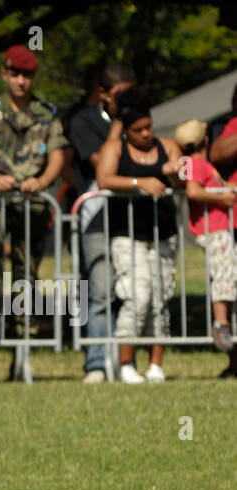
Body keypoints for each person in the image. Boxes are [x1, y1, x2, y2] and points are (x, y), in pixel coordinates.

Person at [0, 45, 66, 379]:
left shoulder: (46, 112)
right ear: (5, 74)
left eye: (27, 75)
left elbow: (57, 158)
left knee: (27, 275)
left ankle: (20, 353)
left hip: (32, 204)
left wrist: (42, 181)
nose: (22, 81)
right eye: (16, 74)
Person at [95, 88, 182, 383]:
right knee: (136, 296)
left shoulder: (167, 146)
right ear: (126, 130)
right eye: (138, 130)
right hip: (128, 233)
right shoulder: (114, 149)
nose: (145, 134)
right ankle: (126, 364)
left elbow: (183, 180)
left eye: (149, 127)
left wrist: (174, 172)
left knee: (161, 296)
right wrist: (139, 182)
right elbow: (104, 178)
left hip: (163, 233)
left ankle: (156, 364)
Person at [68, 65, 134, 383]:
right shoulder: (84, 121)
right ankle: (96, 363)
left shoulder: (139, 120)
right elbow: (102, 163)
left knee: (130, 291)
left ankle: (125, 363)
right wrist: (119, 124)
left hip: (132, 217)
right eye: (121, 94)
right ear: (104, 93)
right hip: (95, 216)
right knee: (99, 292)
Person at [175, 119, 237, 377]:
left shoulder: (194, 163)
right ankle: (221, 323)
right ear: (207, 141)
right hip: (214, 230)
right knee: (223, 275)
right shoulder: (198, 164)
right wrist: (221, 197)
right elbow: (193, 192)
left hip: (219, 229)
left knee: (227, 274)